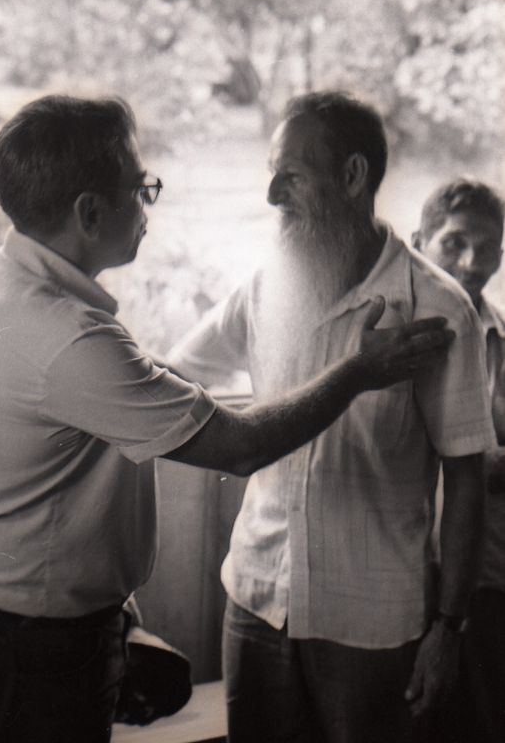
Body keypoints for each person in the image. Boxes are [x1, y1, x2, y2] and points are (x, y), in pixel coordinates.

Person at [0, 95, 452, 743]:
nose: (149, 202)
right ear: (90, 214)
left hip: (40, 625)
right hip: (39, 649)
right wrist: (356, 372)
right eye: (141, 188)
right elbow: (237, 445)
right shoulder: (72, 341)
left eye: (287, 176)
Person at [168, 91, 497, 743]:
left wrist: (447, 630)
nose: (270, 195)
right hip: (255, 600)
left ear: (351, 177)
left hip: (373, 623)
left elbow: (464, 477)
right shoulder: (264, 285)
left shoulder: (437, 307)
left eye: (289, 175)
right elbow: (175, 376)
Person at [413, 178, 505, 743]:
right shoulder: (393, 337)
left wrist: (484, 461)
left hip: (485, 580)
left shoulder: (500, 341)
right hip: (400, 575)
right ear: (420, 240)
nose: (472, 263)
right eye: (454, 243)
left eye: (489, 247)